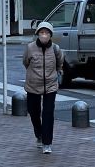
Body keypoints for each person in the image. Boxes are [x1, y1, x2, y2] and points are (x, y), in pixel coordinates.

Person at [23, 21, 65, 154]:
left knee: (48, 114)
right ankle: (39, 135)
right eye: (42, 33)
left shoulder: (55, 49)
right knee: (34, 112)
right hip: (33, 85)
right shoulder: (30, 48)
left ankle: (47, 143)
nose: (44, 35)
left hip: (50, 86)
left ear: (51, 35)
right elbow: (26, 62)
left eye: (47, 33)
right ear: (37, 34)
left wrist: (57, 72)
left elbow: (60, 63)